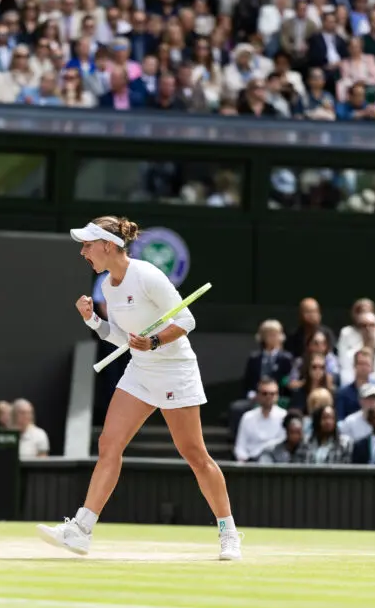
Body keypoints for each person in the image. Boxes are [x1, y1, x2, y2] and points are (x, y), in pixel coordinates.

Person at [38, 216, 242, 560]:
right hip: (141, 370)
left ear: (107, 245)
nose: (83, 251)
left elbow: (186, 320)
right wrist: (93, 321)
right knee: (109, 444)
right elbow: (123, 339)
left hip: (175, 369)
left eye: (88, 245)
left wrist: (155, 342)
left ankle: (229, 532)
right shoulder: (107, 287)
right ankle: (81, 530)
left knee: (194, 454)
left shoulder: (147, 275)